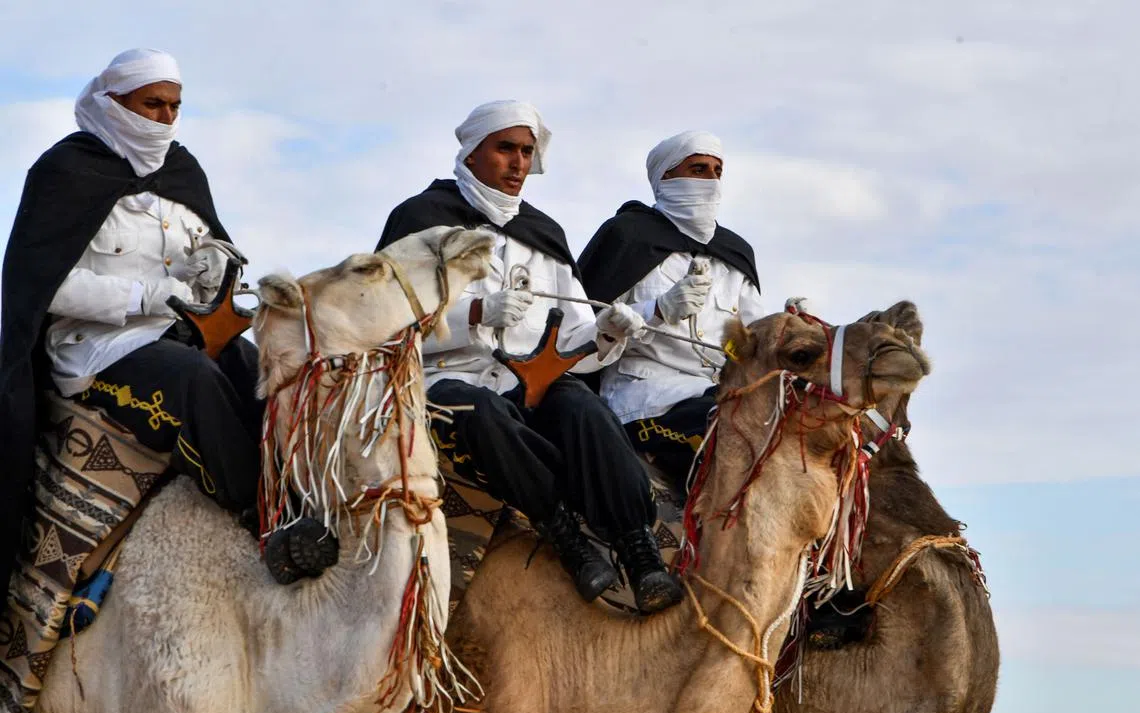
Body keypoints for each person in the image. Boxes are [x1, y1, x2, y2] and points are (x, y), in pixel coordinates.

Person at [0, 48, 326, 594]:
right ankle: (261, 518)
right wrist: (146, 295)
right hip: (95, 347)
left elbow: (212, 263)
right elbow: (44, 287)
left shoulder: (182, 170)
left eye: (175, 106)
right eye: (152, 104)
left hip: (182, 331)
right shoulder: (65, 171)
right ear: (113, 103)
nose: (165, 118)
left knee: (265, 367)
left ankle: (308, 496)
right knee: (192, 378)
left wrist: (214, 267)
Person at [376, 100, 683, 613]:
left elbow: (573, 335)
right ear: (473, 153)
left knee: (587, 413)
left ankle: (640, 552)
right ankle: (563, 533)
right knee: (480, 412)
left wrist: (606, 333)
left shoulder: (544, 235)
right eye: (505, 149)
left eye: (526, 151)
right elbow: (385, 321)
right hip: (446, 378)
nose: (518, 162)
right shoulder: (421, 220)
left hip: (532, 383)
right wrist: (474, 314)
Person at [578, 131, 762, 491]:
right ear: (666, 178)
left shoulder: (735, 254)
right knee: (731, 431)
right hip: (647, 397)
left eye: (716, 171)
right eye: (697, 169)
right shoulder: (627, 237)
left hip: (720, 389)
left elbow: (755, 341)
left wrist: (793, 329)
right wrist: (659, 310)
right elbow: (582, 335)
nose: (709, 181)